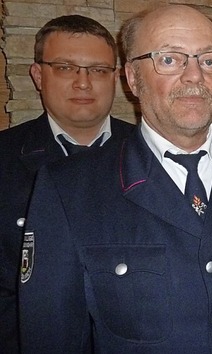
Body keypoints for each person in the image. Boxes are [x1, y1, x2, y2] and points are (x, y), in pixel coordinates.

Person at [18, 5, 212, 353]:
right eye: (170, 60)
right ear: (133, 78)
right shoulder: (69, 189)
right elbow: (52, 336)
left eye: (208, 60)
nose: (194, 75)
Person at [0, 15, 133, 353]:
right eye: (65, 68)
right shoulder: (4, 160)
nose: (84, 83)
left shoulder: (150, 153)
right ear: (38, 75)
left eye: (99, 70)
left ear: (116, 78)